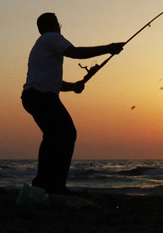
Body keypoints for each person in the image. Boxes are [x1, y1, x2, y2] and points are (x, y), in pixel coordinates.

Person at [21, 12, 123, 195]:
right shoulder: (52, 38)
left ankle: (44, 184)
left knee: (53, 136)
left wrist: (73, 86)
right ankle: (54, 185)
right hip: (41, 97)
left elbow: (51, 82)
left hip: (33, 96)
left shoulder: (40, 46)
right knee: (66, 134)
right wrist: (109, 48)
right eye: (59, 25)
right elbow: (75, 53)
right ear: (56, 26)